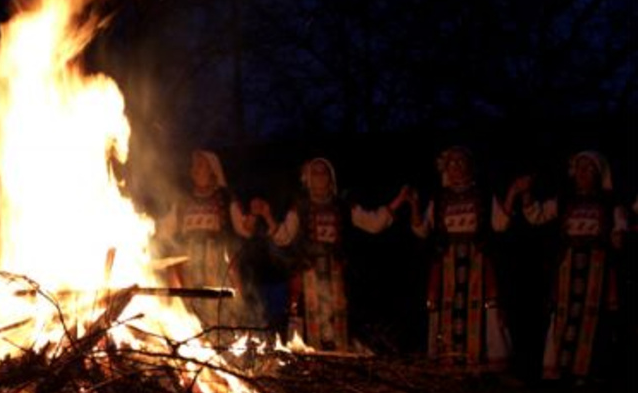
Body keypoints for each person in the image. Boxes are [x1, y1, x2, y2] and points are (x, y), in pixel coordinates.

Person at [250, 157, 407, 352]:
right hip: (309, 276)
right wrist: (267, 215)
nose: (319, 176)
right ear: (307, 179)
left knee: (338, 323)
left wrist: (399, 201)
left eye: (323, 172)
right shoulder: (300, 207)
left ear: (331, 179)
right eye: (314, 172)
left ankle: (337, 367)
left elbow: (373, 223)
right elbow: (284, 237)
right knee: (309, 324)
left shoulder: (343, 206)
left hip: (337, 275)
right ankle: (312, 367)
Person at [504, 150, 626, 381]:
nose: (583, 173)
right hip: (567, 268)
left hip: (596, 270)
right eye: (579, 167)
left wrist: (618, 235)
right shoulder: (563, 201)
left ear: (599, 173)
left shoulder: (610, 203)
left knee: (593, 318)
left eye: (589, 168)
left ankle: (587, 372)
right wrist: (526, 193)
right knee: (561, 314)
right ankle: (558, 369)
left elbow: (620, 227)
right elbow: (535, 216)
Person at [409, 146, 512, 372]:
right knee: (446, 308)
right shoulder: (440, 199)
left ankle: (485, 364)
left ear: (470, 166)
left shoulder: (483, 195)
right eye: (451, 163)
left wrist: (513, 193)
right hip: (447, 263)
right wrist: (414, 205)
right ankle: (449, 361)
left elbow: (500, 224)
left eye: (460, 162)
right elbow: (421, 231)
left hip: (477, 261)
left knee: (485, 306)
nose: (455, 167)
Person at [157, 150, 260, 341]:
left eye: (200, 165)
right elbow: (164, 228)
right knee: (193, 313)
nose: (195, 169)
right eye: (193, 165)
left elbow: (244, 228)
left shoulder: (225, 198)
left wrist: (253, 216)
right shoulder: (182, 200)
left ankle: (222, 355)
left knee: (218, 310)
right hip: (189, 266)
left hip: (217, 264)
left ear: (213, 170)